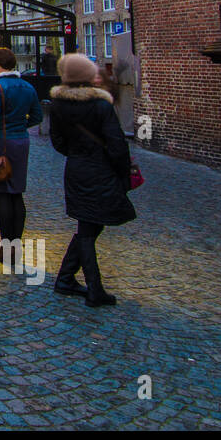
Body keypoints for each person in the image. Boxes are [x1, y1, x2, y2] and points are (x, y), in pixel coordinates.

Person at [48, 53, 136, 307]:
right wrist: (122, 173)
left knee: (90, 225)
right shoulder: (100, 106)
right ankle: (94, 289)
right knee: (90, 227)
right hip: (100, 170)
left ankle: (65, 278)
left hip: (76, 169)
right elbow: (117, 144)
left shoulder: (58, 105)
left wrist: (77, 155)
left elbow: (58, 142)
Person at [0, 47, 43, 271]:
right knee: (17, 192)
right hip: (21, 142)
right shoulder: (27, 86)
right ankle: (17, 244)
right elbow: (37, 115)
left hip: (0, 142)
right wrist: (20, 127)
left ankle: (7, 247)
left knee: (3, 193)